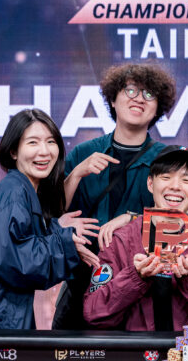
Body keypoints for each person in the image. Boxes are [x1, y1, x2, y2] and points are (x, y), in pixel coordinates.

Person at [0, 109, 98, 329]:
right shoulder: (14, 193)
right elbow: (15, 260)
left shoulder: (23, 190)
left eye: (51, 142)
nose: (44, 151)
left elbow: (20, 239)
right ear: (13, 151)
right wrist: (65, 243)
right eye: (33, 143)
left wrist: (56, 228)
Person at [53, 63, 177, 329]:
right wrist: (76, 174)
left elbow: (183, 222)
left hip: (143, 286)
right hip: (84, 279)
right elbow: (55, 214)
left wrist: (132, 218)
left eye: (149, 94)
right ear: (112, 99)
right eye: (130, 90)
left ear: (158, 108)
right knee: (68, 354)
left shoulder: (169, 158)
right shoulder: (83, 152)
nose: (139, 99)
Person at [83, 146, 188, 331]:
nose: (175, 186)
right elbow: (94, 314)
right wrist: (135, 277)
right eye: (166, 177)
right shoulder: (122, 240)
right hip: (137, 348)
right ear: (150, 184)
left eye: (186, 180)